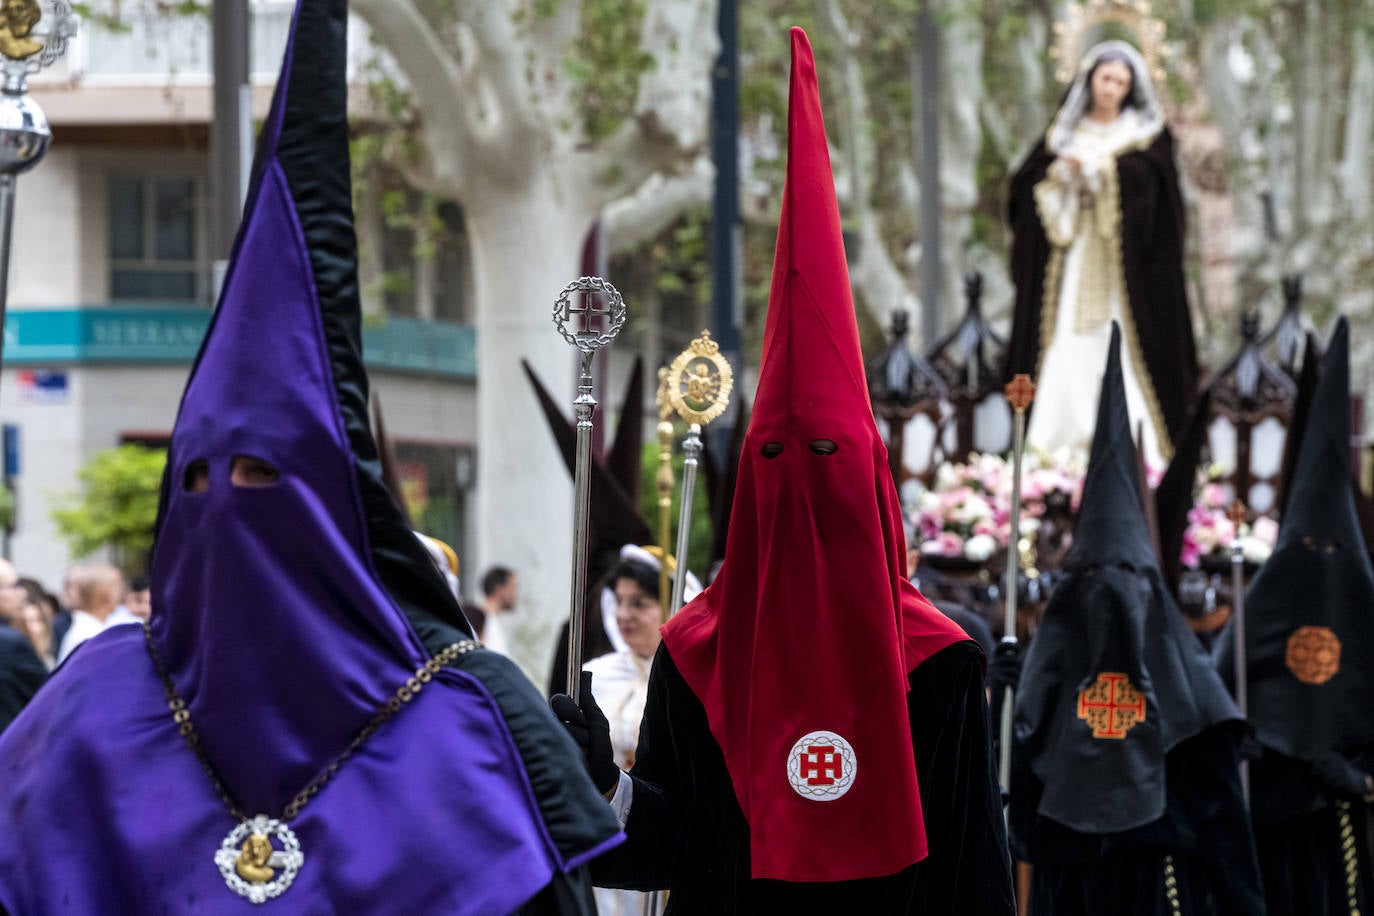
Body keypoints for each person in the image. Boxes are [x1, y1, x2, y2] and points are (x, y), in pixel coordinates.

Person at [0, 0, 621, 911]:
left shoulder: (469, 712)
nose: (228, 504)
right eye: (200, 479)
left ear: (339, 501)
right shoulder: (92, 701)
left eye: (263, 476)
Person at [553, 29, 1014, 913]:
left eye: (826, 457)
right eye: (773, 458)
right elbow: (659, 847)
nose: (799, 484)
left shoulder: (942, 663)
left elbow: (975, 881)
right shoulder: (696, 652)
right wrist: (594, 783)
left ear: (871, 483)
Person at [1009, 326, 1262, 915]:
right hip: (1066, 893)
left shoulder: (1192, 701)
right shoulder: (1044, 688)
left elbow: (1226, 834)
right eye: (1094, 581)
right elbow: (1021, 824)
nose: (1113, 599)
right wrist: (1004, 695)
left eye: (1127, 579)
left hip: (1162, 890)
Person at [1217, 318, 1374, 913]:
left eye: (1333, 550)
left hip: (1345, 830)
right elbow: (1217, 690)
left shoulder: (1362, 599)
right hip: (1268, 827)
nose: (1320, 564)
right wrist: (1245, 742)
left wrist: (1361, 780)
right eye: (1308, 549)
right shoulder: (1269, 600)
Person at [1007, 41, 1197, 470]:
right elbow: (1025, 190)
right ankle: (1056, 452)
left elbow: (1161, 202)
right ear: (1090, 78)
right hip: (1071, 257)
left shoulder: (1143, 135)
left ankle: (1136, 452)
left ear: (1130, 89)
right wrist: (1062, 178)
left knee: (1121, 343)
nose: (1111, 89)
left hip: (1124, 271)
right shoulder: (1062, 135)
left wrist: (1107, 175)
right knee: (1064, 343)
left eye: (1120, 82)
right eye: (1105, 78)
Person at [582, 546, 701, 916]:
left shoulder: (694, 681)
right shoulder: (594, 675)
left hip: (671, 855)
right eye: (618, 601)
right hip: (611, 843)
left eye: (639, 603)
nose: (623, 615)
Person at [55, 563, 127, 664]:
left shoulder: (89, 630)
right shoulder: (91, 636)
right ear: (109, 594)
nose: (123, 592)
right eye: (119, 586)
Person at [476, 565, 518, 654]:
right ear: (499, 590)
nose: (515, 594)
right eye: (513, 587)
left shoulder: (493, 621)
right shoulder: (480, 622)